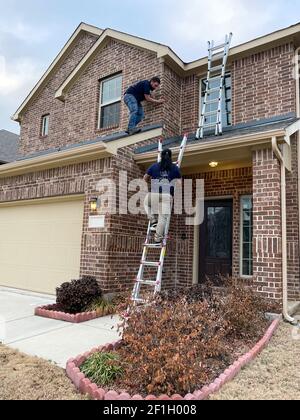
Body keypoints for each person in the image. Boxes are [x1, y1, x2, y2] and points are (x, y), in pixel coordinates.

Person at [144, 149, 182, 243]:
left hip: (154, 194)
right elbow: (179, 183)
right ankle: (157, 239)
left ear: (160, 156)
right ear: (170, 157)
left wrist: (150, 181)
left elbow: (145, 178)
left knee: (146, 203)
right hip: (167, 195)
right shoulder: (174, 167)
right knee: (163, 217)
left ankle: (153, 221)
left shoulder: (154, 166)